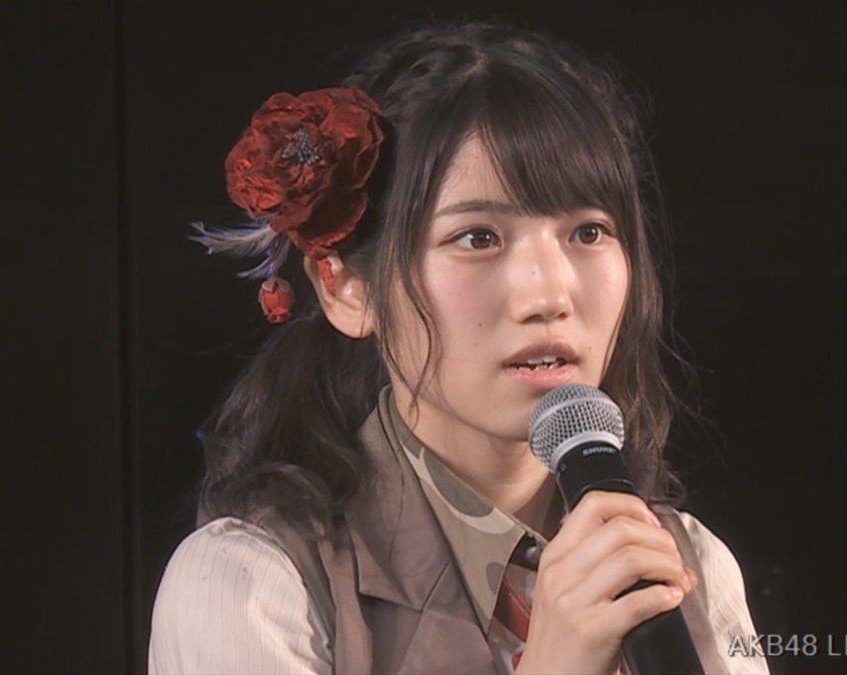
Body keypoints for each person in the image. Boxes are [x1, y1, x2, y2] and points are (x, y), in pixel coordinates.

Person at [148, 19, 769, 675]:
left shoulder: (692, 569)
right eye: (478, 238)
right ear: (345, 287)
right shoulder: (252, 584)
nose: (549, 294)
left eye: (588, 232)